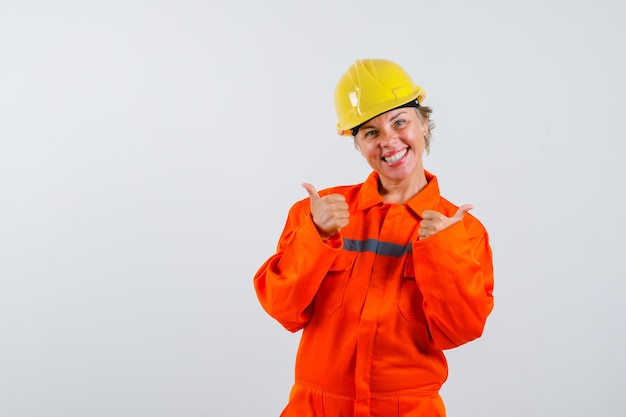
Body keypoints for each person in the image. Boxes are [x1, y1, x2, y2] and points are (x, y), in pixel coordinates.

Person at [253, 58, 494, 417]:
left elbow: (460, 330)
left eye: (400, 122)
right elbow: (282, 308)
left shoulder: (461, 231)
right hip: (315, 409)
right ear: (358, 143)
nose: (389, 141)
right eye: (371, 132)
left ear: (424, 124)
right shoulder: (319, 214)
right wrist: (316, 236)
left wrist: (443, 250)